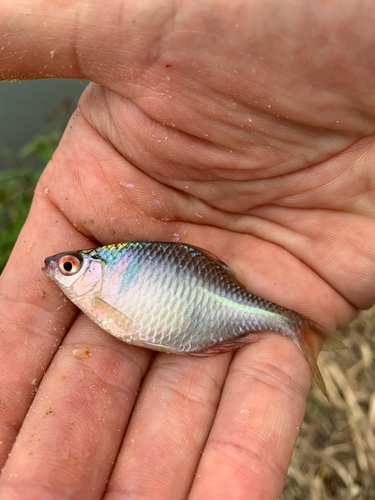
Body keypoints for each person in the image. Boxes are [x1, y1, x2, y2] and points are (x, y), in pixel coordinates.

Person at [1, 1, 374, 498]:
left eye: (69, 266)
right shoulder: (110, 270)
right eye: (66, 265)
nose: (59, 269)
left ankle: (293, 326)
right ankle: (291, 326)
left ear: (94, 267)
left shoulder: (111, 269)